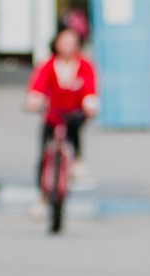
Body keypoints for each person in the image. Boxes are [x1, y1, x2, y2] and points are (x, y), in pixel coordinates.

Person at [25, 22, 100, 185]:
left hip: (74, 113)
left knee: (74, 131)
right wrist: (34, 98)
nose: (67, 47)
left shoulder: (84, 65)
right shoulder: (49, 64)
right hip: (53, 113)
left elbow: (89, 88)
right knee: (44, 152)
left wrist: (90, 103)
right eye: (64, 43)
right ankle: (43, 194)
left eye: (71, 44)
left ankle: (78, 159)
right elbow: (38, 84)